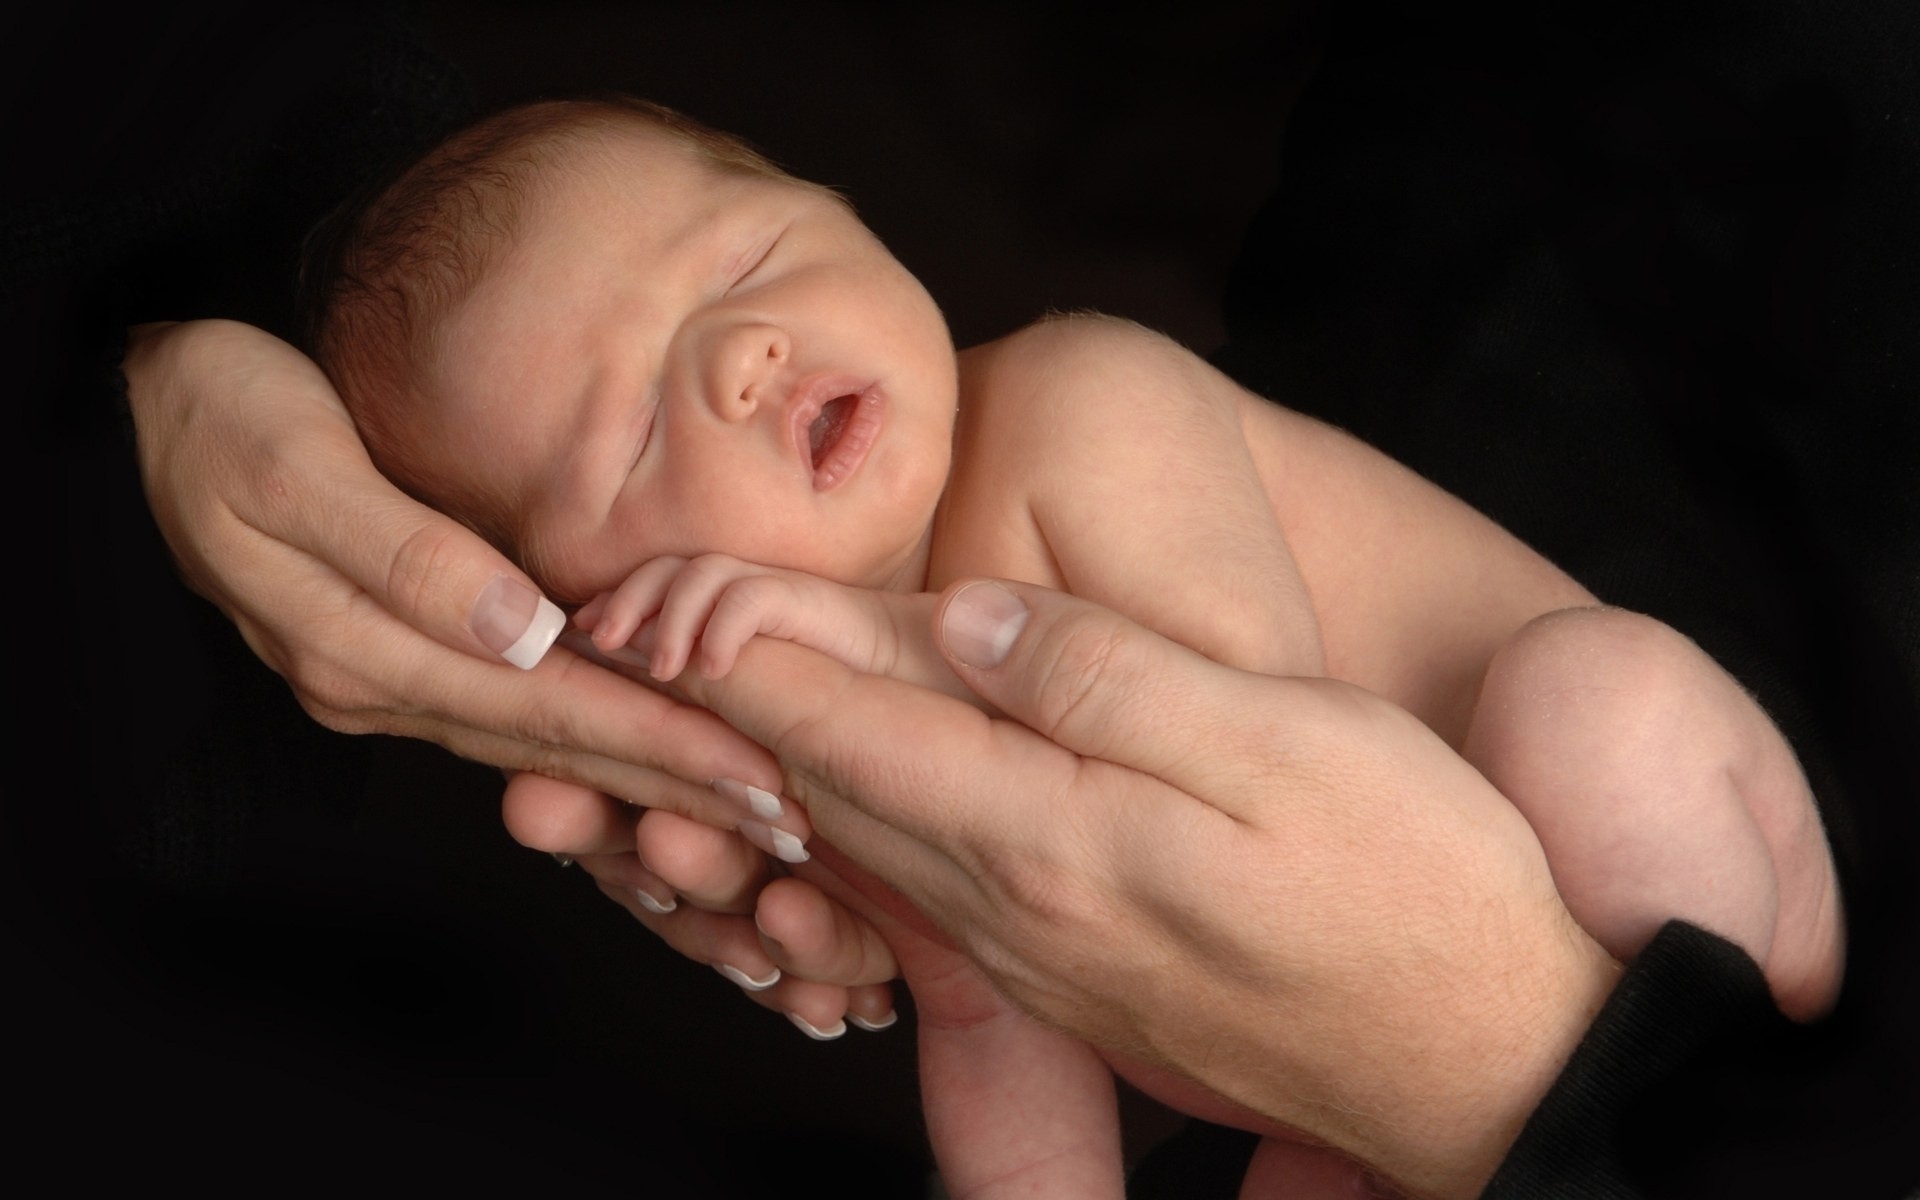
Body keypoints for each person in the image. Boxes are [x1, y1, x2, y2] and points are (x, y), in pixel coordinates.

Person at [42, 1, 1912, 1195]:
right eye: (629, 441)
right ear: (579, 613)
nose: (751, 357)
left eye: (755, 260)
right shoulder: (834, 771)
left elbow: (1249, 718)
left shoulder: (1081, 396)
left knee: (1598, 694)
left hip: (1669, 861)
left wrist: (857, 642)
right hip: (1406, 1078)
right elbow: (991, 1023)